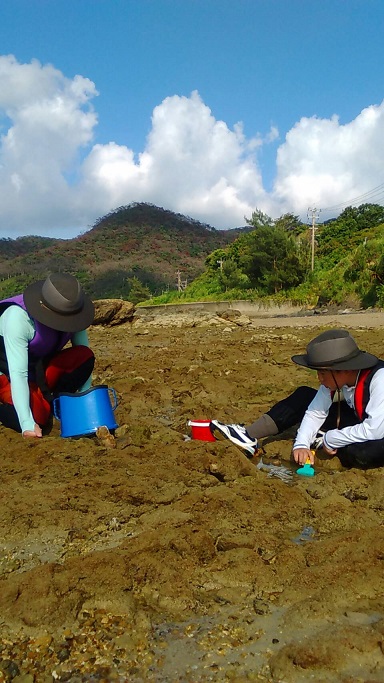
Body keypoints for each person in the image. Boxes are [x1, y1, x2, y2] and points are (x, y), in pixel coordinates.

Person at [211, 329, 384, 469]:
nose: (319, 379)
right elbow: (316, 411)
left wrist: (331, 438)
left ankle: (327, 443)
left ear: (344, 369)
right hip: (360, 422)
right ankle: (248, 435)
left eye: (323, 373)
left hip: (378, 431)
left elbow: (376, 429)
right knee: (303, 395)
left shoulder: (379, 378)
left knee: (366, 452)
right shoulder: (335, 381)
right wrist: (300, 444)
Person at [0, 272, 95, 438]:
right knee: (38, 418)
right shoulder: (17, 319)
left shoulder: (74, 314)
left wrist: (85, 402)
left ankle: (54, 401)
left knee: (84, 356)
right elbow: (18, 374)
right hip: (8, 372)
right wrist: (27, 423)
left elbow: (83, 357)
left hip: (38, 368)